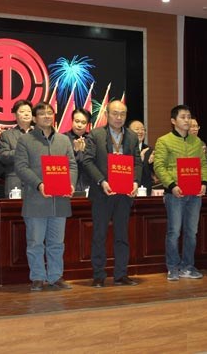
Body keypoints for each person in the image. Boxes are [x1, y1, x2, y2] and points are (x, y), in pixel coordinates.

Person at [15, 102, 78, 291]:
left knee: (57, 243)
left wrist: (71, 184)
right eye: (42, 113)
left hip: (60, 200)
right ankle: (37, 277)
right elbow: (21, 167)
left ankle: (55, 277)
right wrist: (39, 184)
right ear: (34, 118)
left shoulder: (63, 140)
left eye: (50, 113)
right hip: (36, 199)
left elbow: (72, 165)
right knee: (35, 242)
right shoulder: (25, 140)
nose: (47, 116)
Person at [82, 100, 142, 288]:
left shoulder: (131, 136)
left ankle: (121, 275)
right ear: (107, 115)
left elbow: (137, 162)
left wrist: (135, 182)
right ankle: (99, 275)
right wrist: (102, 181)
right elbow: (87, 161)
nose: (119, 117)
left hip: (124, 193)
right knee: (99, 235)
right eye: (115, 113)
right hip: (102, 192)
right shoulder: (96, 134)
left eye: (122, 114)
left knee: (122, 235)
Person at [154, 104, 207, 281]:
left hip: (194, 194)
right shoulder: (164, 141)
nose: (187, 120)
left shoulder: (196, 142)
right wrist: (171, 185)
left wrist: (204, 182)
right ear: (173, 120)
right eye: (183, 117)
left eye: (189, 117)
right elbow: (159, 166)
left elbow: (202, 165)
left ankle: (188, 266)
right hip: (175, 194)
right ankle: (173, 267)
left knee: (191, 232)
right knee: (174, 232)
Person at [0, 100, 34, 196]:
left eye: (29, 111)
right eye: (22, 111)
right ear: (15, 115)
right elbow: (2, 156)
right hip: (15, 182)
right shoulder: (7, 135)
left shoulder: (40, 135)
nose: (26, 114)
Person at [64, 108, 92, 192]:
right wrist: (75, 152)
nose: (79, 125)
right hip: (68, 184)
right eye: (77, 121)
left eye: (83, 122)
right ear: (72, 121)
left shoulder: (92, 140)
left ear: (87, 124)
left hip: (88, 184)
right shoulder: (63, 138)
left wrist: (84, 153)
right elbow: (62, 165)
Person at [128, 119, 155, 195]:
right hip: (127, 191)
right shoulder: (123, 149)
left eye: (143, 129)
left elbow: (154, 174)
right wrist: (138, 160)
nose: (140, 132)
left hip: (145, 191)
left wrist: (153, 163)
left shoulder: (149, 150)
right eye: (137, 129)